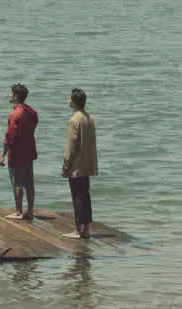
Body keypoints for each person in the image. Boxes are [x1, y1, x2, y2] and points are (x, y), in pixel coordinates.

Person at [61, 88, 98, 239]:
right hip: (88, 163)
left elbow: (70, 147)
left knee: (77, 197)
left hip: (76, 166)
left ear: (74, 102)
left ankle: (78, 230)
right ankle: (86, 228)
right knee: (85, 196)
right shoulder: (89, 118)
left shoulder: (74, 120)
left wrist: (65, 166)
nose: (68, 101)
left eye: (70, 99)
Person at [0, 83, 38, 220]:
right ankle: (30, 210)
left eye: (10, 93)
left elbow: (10, 136)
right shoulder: (32, 112)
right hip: (29, 151)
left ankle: (19, 211)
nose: (9, 95)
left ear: (15, 96)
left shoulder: (15, 114)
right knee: (29, 183)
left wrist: (2, 154)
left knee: (17, 183)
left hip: (16, 153)